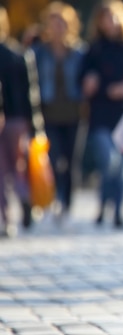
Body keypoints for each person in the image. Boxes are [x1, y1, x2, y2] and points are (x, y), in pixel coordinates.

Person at [79, 0, 123, 229]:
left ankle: (118, 211)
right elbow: (81, 82)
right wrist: (89, 84)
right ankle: (104, 203)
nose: (110, 22)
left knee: (122, 169)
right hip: (100, 117)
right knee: (109, 162)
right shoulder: (93, 49)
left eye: (114, 17)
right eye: (106, 18)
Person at [33, 2, 85, 225]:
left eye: (62, 24)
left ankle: (67, 205)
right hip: (49, 115)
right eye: (54, 24)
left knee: (71, 163)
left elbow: (88, 77)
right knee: (53, 161)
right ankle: (53, 200)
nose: (58, 28)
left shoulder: (80, 52)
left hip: (74, 114)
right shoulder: (39, 52)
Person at [0, 6, 35, 237]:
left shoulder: (16, 55)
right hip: (18, 119)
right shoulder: (17, 54)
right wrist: (33, 124)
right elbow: (30, 94)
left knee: (2, 171)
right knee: (18, 168)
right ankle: (24, 199)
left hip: (10, 118)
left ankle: (6, 219)